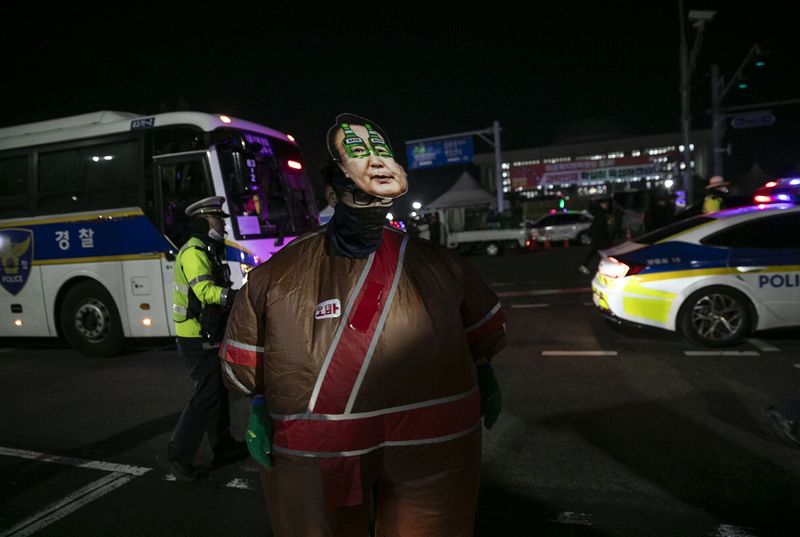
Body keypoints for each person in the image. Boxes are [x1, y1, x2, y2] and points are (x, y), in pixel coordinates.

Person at [219, 113, 506, 536]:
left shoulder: (440, 265)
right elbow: (248, 359)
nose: (372, 208)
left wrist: (484, 371)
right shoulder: (276, 276)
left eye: (379, 199)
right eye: (360, 196)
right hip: (339, 448)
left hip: (417, 443)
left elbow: (481, 335)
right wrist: (258, 406)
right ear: (332, 195)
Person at [157, 196, 246, 481]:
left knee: (218, 391)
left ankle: (223, 446)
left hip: (207, 333)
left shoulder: (206, 250)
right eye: (216, 219)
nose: (222, 223)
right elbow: (205, 291)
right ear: (201, 221)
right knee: (207, 393)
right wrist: (235, 297)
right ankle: (177, 453)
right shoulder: (193, 252)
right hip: (195, 338)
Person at [578, 198, 612, 275]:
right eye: (605, 204)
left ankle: (584, 265)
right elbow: (596, 225)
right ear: (601, 204)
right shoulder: (601, 214)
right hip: (601, 238)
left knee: (595, 252)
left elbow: (595, 225)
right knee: (607, 253)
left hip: (600, 237)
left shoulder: (600, 212)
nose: (607, 205)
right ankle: (607, 269)